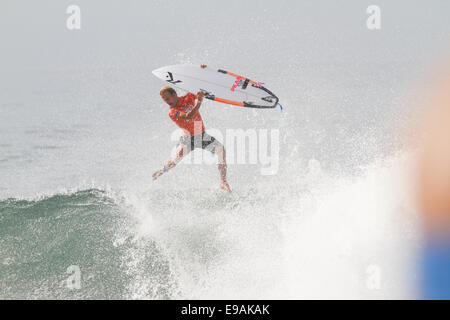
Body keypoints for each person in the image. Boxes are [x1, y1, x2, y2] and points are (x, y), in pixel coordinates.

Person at [152, 64, 231, 192]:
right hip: (187, 139)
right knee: (174, 161)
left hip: (202, 135)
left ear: (174, 94)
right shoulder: (172, 112)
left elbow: (202, 88)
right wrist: (199, 101)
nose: (167, 101)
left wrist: (204, 72)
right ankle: (162, 170)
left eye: (168, 98)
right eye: (164, 100)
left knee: (221, 151)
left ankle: (223, 181)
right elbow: (189, 115)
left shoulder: (188, 98)